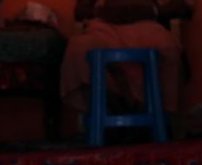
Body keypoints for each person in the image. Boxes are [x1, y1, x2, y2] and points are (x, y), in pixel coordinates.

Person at [60, 1, 193, 122]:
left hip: (147, 27)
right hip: (103, 29)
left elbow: (182, 7)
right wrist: (108, 11)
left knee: (166, 46)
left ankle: (161, 117)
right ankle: (109, 110)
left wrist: (139, 11)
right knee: (79, 48)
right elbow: (81, 12)